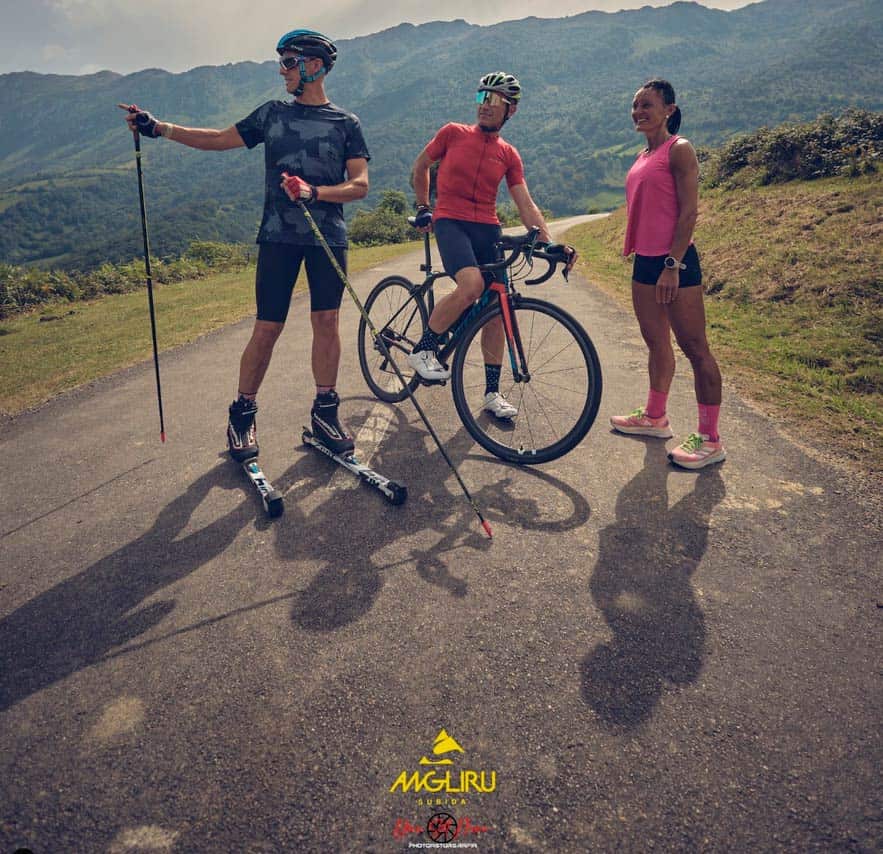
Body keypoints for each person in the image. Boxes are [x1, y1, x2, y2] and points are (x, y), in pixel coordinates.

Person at [120, 29, 369, 460]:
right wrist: (159, 129)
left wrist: (315, 193)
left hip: (327, 237)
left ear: (314, 66)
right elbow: (218, 138)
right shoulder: (272, 114)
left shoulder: (346, 124)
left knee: (326, 323)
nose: (282, 70)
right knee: (268, 327)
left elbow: (360, 185)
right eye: (283, 63)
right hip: (278, 236)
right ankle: (242, 413)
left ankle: (326, 411)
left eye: (289, 62)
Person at [408, 72, 576, 420]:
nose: (486, 105)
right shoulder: (453, 133)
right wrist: (424, 206)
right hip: (451, 220)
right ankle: (423, 349)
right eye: (482, 97)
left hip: (487, 228)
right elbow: (422, 165)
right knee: (471, 285)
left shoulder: (508, 154)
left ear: (510, 110)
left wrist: (550, 243)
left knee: (497, 309)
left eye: (495, 100)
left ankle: (491, 393)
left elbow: (525, 204)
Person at [610, 78, 726, 470]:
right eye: (635, 105)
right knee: (656, 342)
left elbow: (689, 212)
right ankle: (655, 417)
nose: (639, 111)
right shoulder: (644, 156)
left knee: (695, 348)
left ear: (669, 110)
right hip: (644, 262)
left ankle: (710, 439)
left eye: (647, 105)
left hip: (674, 263)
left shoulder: (679, 150)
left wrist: (673, 265)